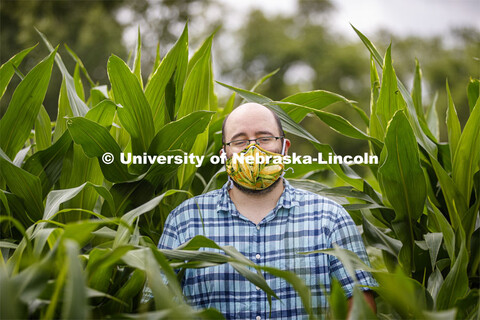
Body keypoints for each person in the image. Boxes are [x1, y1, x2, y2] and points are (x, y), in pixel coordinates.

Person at [153, 102, 377, 318]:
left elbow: (359, 306)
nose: (254, 149)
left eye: (265, 138)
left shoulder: (330, 218)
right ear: (224, 154)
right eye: (239, 141)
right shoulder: (185, 221)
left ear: (284, 148)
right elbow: (157, 306)